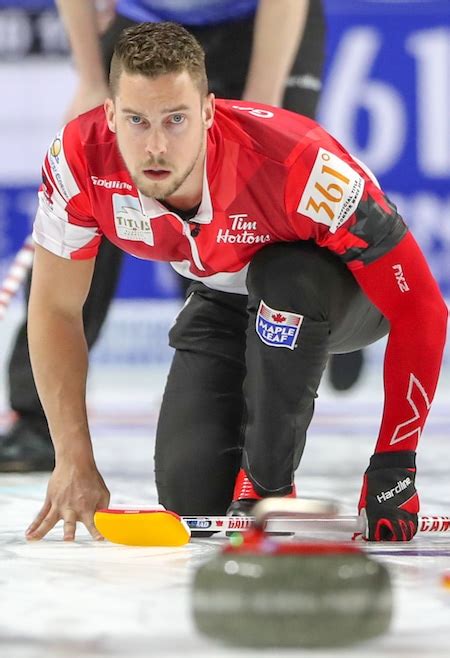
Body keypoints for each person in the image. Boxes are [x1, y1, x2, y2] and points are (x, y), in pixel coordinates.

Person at [24, 22, 447, 543]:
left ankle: (269, 484)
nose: (155, 146)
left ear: (207, 112)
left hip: (337, 291)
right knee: (191, 496)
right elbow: (55, 310)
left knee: (285, 278)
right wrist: (73, 462)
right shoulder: (78, 162)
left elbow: (422, 308)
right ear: (109, 115)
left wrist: (394, 467)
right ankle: (275, 374)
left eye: (175, 120)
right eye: (136, 120)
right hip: (228, 292)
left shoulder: (298, 165)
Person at [0, 0, 333, 473]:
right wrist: (91, 78)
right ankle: (37, 421)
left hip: (257, 25)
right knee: (99, 189)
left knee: (264, 210)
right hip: (145, 23)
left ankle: (322, 328)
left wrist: (260, 101)